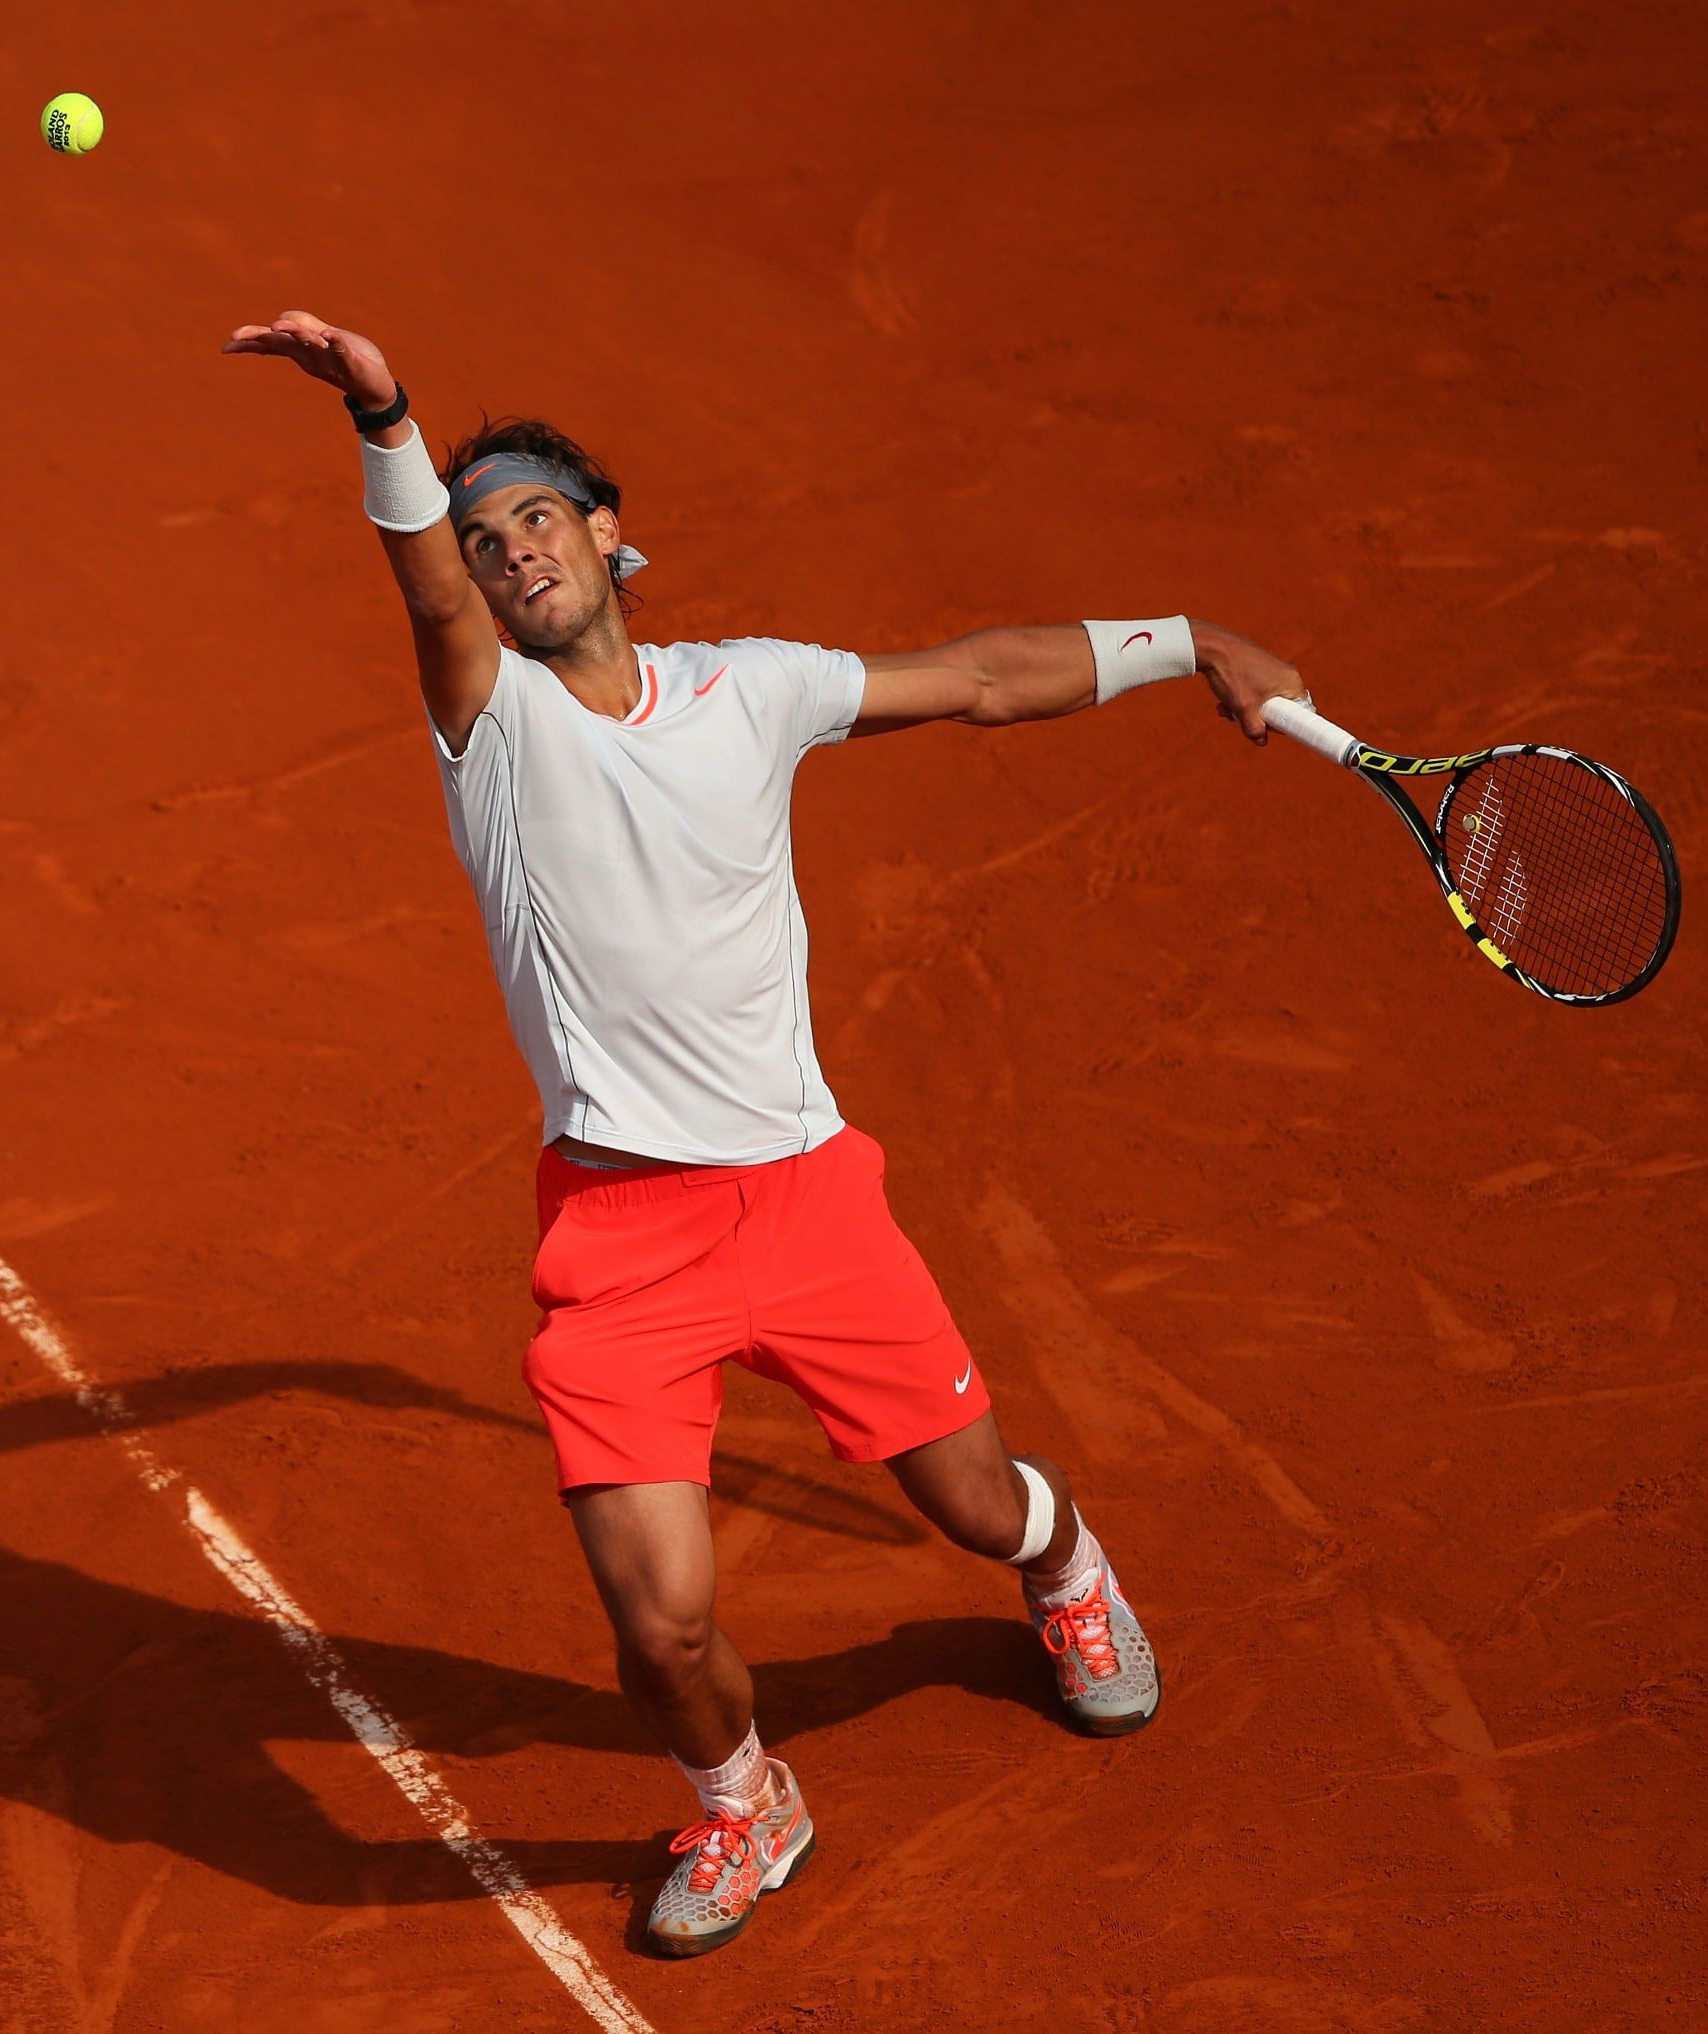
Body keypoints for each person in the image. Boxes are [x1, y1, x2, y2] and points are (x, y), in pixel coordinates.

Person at [222, 310, 1309, 1957]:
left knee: (970, 1501)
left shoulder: (755, 693)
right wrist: (382, 411)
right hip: (619, 1240)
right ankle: (746, 1800)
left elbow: (983, 681)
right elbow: (424, 587)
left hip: (807, 1205)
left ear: (608, 540)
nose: (505, 551)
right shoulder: (491, 728)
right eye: (479, 535)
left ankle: (1064, 1559)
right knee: (658, 1622)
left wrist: (1190, 637)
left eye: (533, 516)